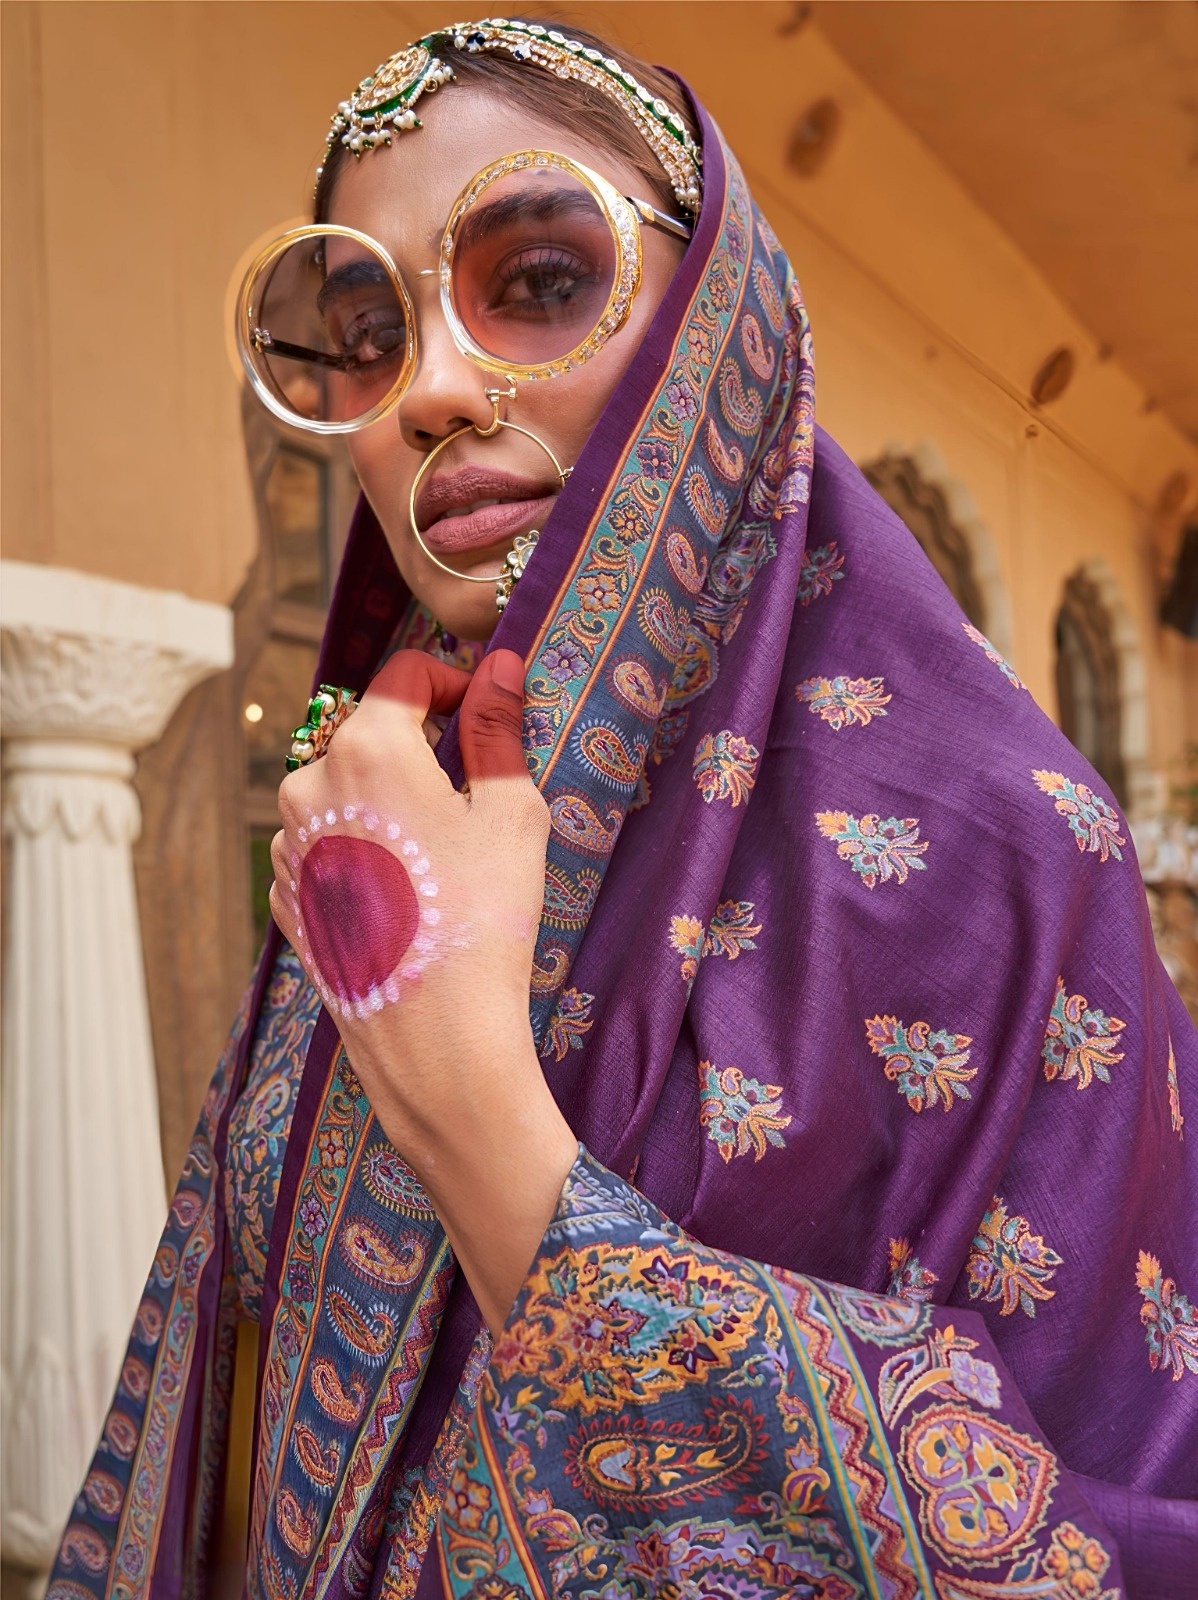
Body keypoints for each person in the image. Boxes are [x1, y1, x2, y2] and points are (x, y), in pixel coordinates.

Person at [49, 17, 1196, 1600]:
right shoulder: (390, 803)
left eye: (534, 284)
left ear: (714, 319)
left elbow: (1080, 1537)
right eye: (369, 333)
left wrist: (479, 1123)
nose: (434, 392)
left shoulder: (1001, 851)